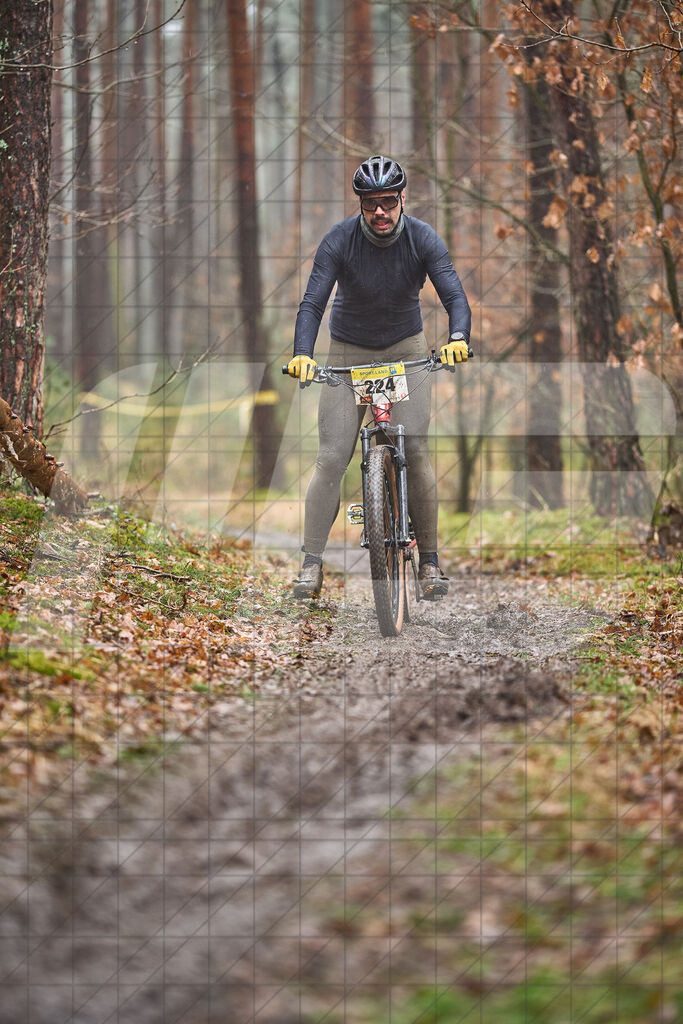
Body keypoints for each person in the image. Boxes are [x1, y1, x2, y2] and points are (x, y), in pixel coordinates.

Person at [287, 154, 471, 600]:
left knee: (418, 451)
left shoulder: (424, 239)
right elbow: (312, 304)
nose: (381, 212)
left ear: (402, 199)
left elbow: (455, 297)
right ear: (361, 205)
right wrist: (303, 355)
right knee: (331, 458)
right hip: (348, 354)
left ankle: (429, 563)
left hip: (405, 352)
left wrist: (458, 337)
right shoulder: (339, 241)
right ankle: (311, 566)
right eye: (371, 204)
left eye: (389, 201)